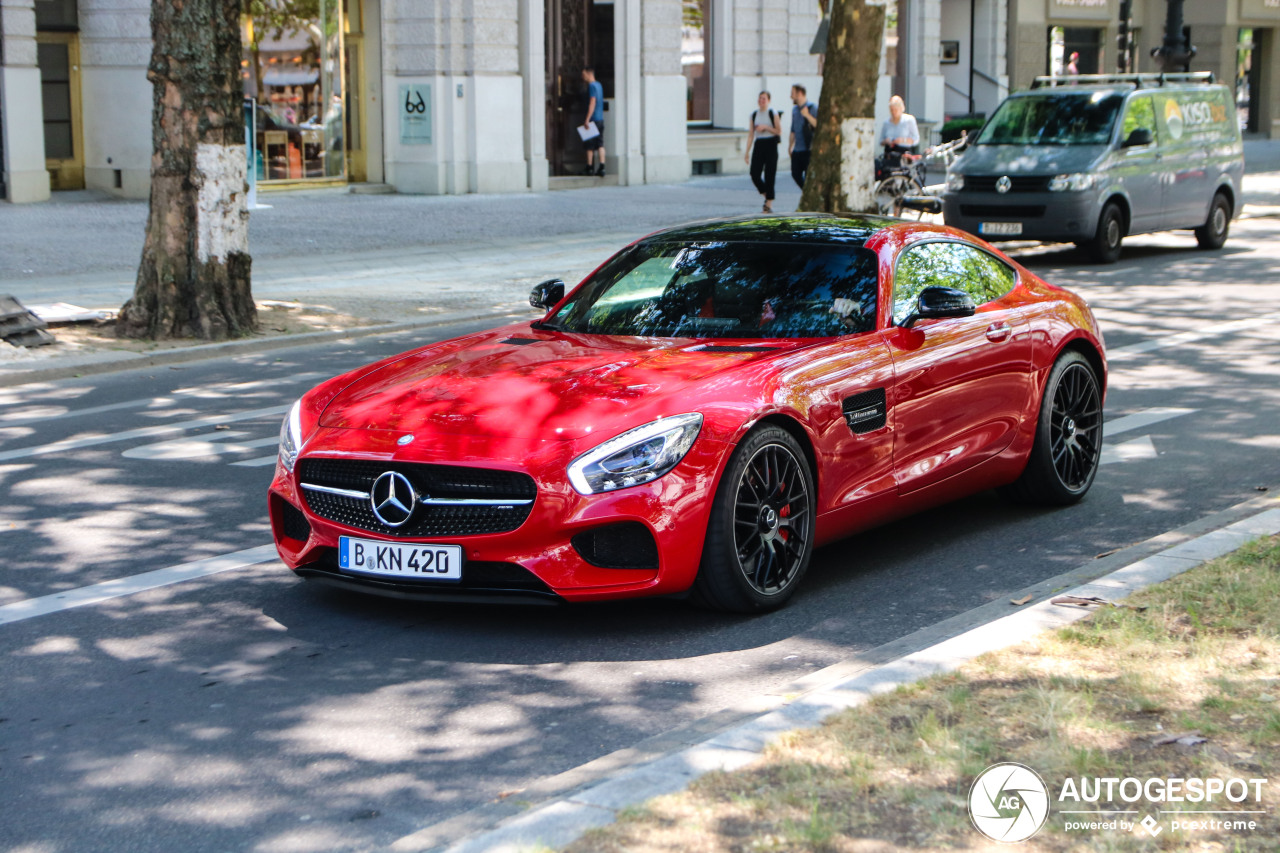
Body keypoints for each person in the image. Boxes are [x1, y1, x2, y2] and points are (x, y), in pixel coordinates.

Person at [745, 91, 782, 213]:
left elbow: (778, 130)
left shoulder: (772, 113)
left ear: (769, 100)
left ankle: (769, 205)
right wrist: (747, 152)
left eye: (764, 99)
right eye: (760, 98)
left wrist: (766, 127)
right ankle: (767, 196)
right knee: (754, 173)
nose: (761, 101)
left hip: (771, 143)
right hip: (759, 144)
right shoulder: (754, 114)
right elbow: (751, 134)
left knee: (769, 174)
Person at [878, 95, 920, 178]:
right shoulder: (886, 123)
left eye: (895, 110)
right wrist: (886, 141)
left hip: (903, 154)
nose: (893, 112)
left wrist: (902, 140)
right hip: (889, 154)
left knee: (903, 178)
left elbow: (916, 139)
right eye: (891, 110)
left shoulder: (909, 120)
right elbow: (880, 141)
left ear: (901, 108)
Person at [788, 84, 818, 189]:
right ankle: (807, 192)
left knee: (808, 175)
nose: (790, 96)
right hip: (797, 149)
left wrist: (807, 115)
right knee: (795, 174)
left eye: (792, 93)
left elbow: (818, 125)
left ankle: (808, 194)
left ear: (799, 93)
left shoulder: (812, 107)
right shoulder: (795, 110)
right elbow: (793, 130)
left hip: (809, 148)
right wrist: (790, 146)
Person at [581, 67, 606, 177]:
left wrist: (587, 119)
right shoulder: (599, 85)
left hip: (593, 120)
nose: (583, 77)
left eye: (584, 74)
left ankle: (589, 167)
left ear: (588, 73)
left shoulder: (591, 86)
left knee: (589, 145)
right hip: (600, 119)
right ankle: (602, 166)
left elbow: (592, 102)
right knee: (600, 144)